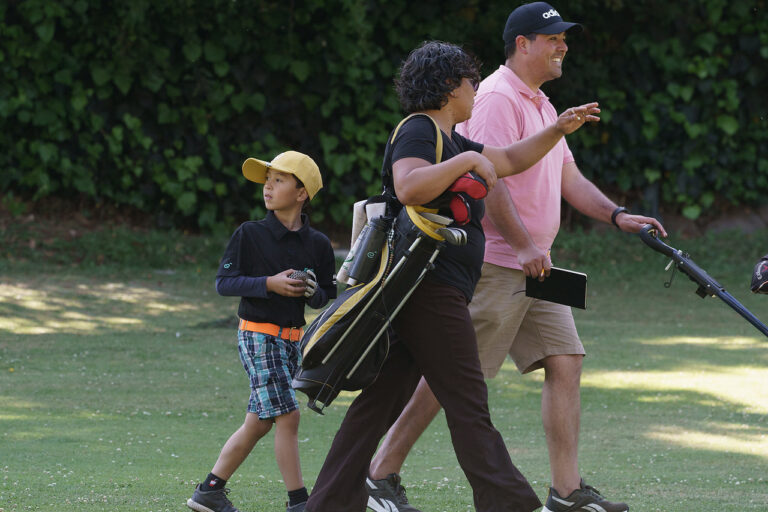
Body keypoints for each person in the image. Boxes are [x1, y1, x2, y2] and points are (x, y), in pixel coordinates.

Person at [366, 4, 667, 512]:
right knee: (453, 376)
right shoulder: (495, 97)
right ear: (522, 44)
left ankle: (566, 492)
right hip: (500, 263)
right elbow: (490, 176)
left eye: (564, 37)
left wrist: (616, 216)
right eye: (553, 37)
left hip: (537, 266)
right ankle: (380, 471)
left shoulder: (543, 104)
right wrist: (524, 244)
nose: (563, 45)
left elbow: (566, 176)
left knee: (565, 360)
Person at [305, 40, 598, 512]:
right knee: (467, 403)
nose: (476, 90)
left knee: (379, 402)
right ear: (448, 87)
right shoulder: (419, 129)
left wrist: (557, 129)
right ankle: (510, 505)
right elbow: (409, 185)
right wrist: (466, 163)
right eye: (470, 82)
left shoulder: (451, 140)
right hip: (428, 288)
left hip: (419, 289)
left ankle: (328, 504)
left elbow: (509, 159)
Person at [187, 151, 337, 512]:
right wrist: (269, 283)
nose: (268, 187)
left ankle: (210, 491)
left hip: (292, 341)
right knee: (289, 415)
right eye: (267, 180)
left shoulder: (318, 244)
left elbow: (326, 296)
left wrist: (311, 291)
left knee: (259, 422)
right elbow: (225, 283)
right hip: (257, 335)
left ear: (301, 193)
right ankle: (299, 503)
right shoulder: (249, 234)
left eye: (279, 180)